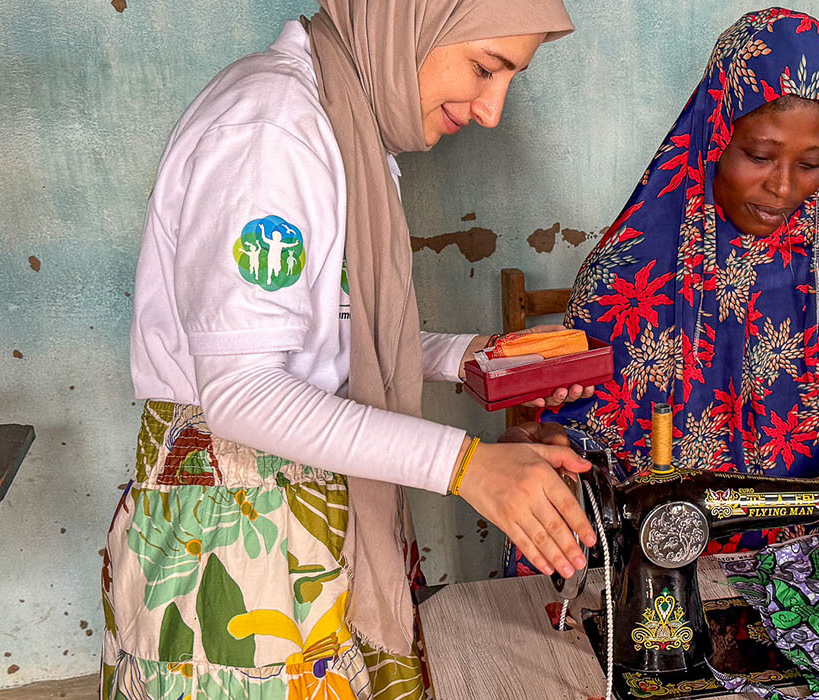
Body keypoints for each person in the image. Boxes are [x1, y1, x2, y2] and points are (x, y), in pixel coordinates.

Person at [104, 2, 597, 698]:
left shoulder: (343, 130)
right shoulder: (273, 131)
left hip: (311, 505)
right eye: (487, 68)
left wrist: (469, 355)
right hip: (241, 533)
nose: (491, 109)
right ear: (409, 20)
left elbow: (323, 336)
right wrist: (468, 467)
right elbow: (242, 394)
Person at [503, 7, 819, 612]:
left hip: (808, 562)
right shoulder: (631, 265)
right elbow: (579, 438)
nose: (784, 187)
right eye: (759, 155)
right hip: (657, 569)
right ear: (715, 133)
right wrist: (552, 442)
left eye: (811, 163)